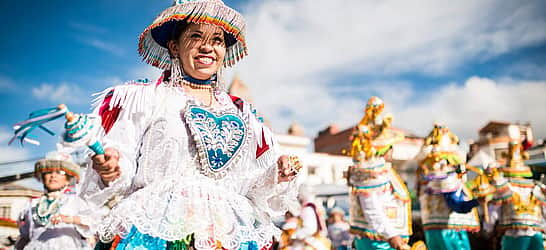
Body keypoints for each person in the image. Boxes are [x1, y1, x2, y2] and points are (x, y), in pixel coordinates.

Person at [77, 0, 301, 249]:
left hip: (224, 234)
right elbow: (122, 159)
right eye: (196, 36)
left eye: (217, 40)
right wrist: (113, 165)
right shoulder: (144, 99)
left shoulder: (243, 114)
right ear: (174, 47)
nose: (207, 47)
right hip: (156, 230)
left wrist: (276, 174)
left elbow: (248, 185)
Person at [346, 97, 412, 250]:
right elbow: (372, 208)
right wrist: (391, 235)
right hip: (379, 241)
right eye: (390, 146)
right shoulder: (371, 171)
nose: (392, 150)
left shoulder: (384, 170)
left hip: (384, 239)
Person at [416, 123, 480, 250]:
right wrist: (477, 201)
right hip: (450, 233)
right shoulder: (447, 181)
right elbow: (457, 205)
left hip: (432, 231)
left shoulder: (427, 184)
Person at [15, 151, 93, 250]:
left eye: (60, 172)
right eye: (48, 172)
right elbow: (25, 237)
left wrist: (71, 219)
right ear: (43, 177)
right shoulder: (30, 205)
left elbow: (93, 223)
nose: (53, 176)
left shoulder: (75, 201)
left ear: (68, 179)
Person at [485, 131, 546, 250]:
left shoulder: (505, 187)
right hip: (536, 235)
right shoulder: (536, 187)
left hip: (513, 237)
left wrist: (488, 228)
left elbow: (493, 214)